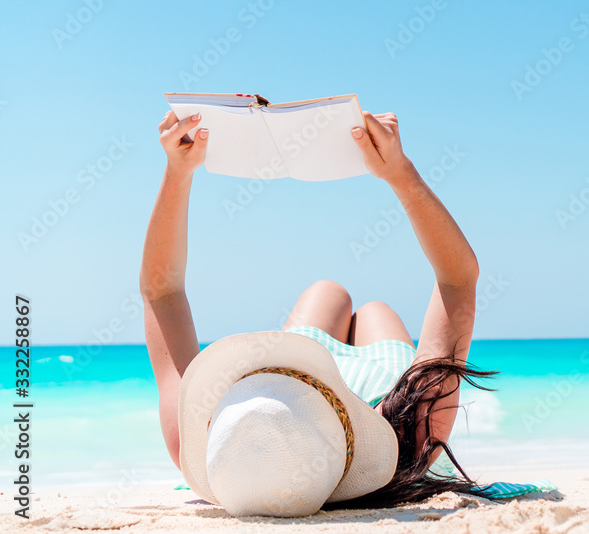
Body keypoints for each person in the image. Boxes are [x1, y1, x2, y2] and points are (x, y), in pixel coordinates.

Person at [140, 109, 497, 517]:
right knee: (372, 309)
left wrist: (177, 172)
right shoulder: (407, 437)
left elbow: (161, 292)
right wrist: (399, 173)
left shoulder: (214, 442)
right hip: (382, 393)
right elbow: (458, 279)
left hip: (296, 382)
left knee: (328, 292)